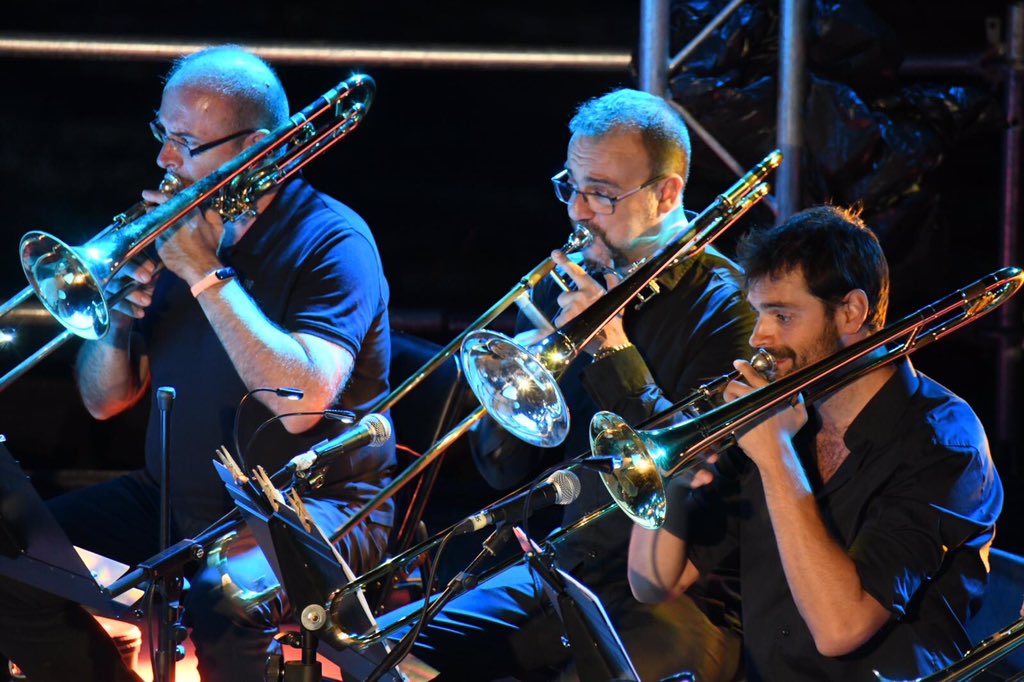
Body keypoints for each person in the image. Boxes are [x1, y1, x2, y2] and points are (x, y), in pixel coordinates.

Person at [0, 46, 395, 682]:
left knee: (225, 597)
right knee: (14, 558)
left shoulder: (333, 241)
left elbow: (301, 408)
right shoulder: (181, 229)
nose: (164, 158)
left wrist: (205, 274)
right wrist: (118, 321)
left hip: (311, 508)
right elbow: (104, 402)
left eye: (185, 142)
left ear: (255, 150)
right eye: (162, 133)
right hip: (175, 497)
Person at [379, 89, 756, 681]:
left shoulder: (731, 308)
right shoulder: (570, 283)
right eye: (570, 187)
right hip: (562, 569)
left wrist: (613, 351)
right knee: (379, 653)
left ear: (667, 193)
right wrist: (519, 382)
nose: (578, 211)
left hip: (677, 600)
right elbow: (502, 469)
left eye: (601, 193)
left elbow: (689, 464)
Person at [628, 205, 1004, 680]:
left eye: (782, 315)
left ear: (851, 312)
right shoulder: (782, 418)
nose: (759, 337)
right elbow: (654, 583)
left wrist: (777, 459)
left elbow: (840, 628)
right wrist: (674, 478)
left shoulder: (945, 444)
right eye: (759, 313)